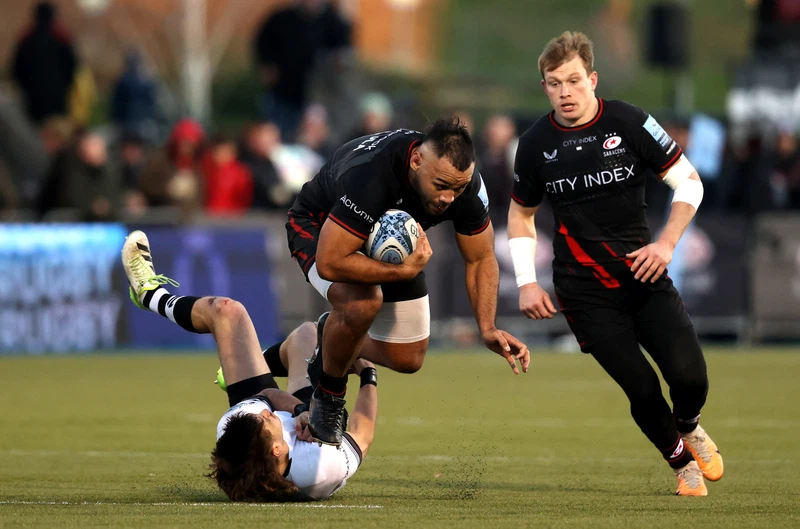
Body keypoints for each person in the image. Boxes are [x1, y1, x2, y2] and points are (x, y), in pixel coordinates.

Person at [507, 31, 722, 497]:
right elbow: (521, 214)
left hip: (643, 273)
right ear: (543, 86)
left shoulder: (630, 122)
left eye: (573, 80)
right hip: (584, 292)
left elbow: (689, 183)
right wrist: (527, 281)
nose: (565, 91)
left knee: (690, 377)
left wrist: (666, 244)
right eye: (553, 83)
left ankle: (688, 423)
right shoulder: (535, 143)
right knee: (641, 387)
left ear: (592, 79)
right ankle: (682, 465)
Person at [287, 117, 530, 446]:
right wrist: (401, 273)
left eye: (457, 188)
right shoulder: (373, 175)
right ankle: (329, 398)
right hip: (321, 228)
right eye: (441, 185)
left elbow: (481, 257)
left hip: (388, 239)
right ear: (417, 160)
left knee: (408, 358)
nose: (448, 198)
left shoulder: (465, 185)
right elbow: (331, 262)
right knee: (362, 303)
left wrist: (487, 327)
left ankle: (326, 335)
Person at [121, 229, 377, 501]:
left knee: (226, 311)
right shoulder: (322, 467)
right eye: (268, 419)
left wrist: (300, 410)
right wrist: (367, 373)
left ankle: (149, 295)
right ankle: (249, 362)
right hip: (306, 443)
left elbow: (266, 397)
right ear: (278, 449)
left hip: (265, 430)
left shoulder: (234, 430)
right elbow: (363, 433)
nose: (271, 414)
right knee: (306, 334)